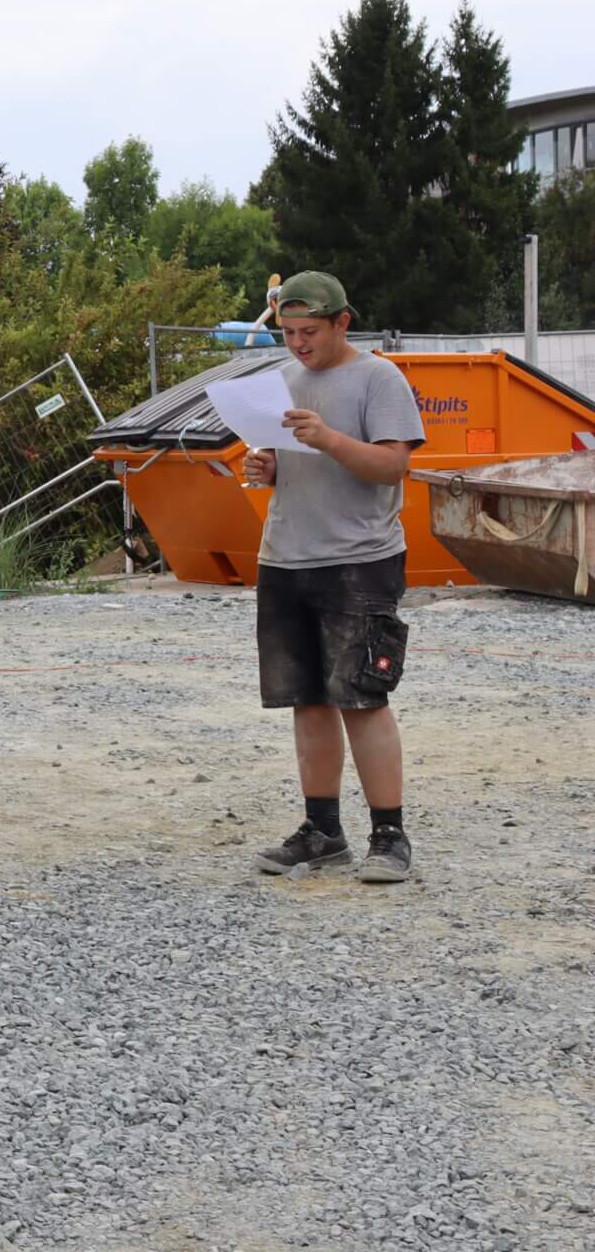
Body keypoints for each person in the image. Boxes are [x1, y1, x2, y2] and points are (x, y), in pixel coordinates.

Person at [244, 272, 426, 884]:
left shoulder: (380, 378)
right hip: (285, 556)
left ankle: (389, 835)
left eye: (310, 332)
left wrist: (327, 439)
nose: (298, 344)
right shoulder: (283, 381)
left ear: (343, 322)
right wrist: (266, 468)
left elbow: (392, 465)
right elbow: (285, 466)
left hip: (359, 560)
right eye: (289, 333)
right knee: (308, 700)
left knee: (362, 699)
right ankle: (322, 830)